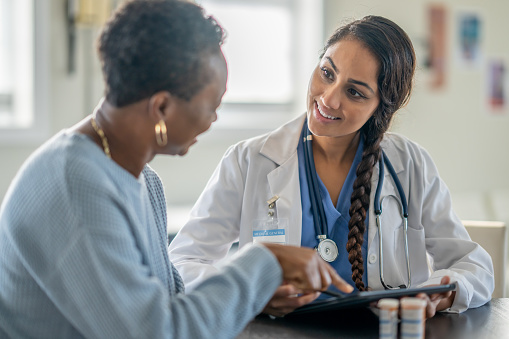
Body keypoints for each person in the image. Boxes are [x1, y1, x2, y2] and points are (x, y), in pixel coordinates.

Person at [0, 1, 354, 338]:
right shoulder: (74, 186)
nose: (214, 118)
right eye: (211, 105)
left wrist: (259, 293)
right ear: (162, 107)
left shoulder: (142, 180)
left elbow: (170, 302)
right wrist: (263, 260)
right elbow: (159, 333)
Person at [169, 15, 495, 318]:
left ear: (382, 106)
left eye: (354, 92)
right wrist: (248, 291)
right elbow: (182, 262)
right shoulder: (249, 161)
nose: (329, 98)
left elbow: (473, 266)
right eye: (327, 73)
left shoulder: (409, 165)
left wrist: (441, 294)